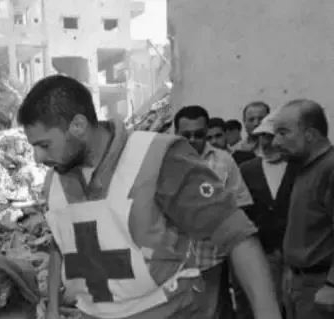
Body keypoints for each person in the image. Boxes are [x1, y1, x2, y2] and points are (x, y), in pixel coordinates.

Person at [20, 75, 279, 319]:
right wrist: (53, 308)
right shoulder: (57, 175)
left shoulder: (157, 158)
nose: (38, 158)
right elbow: (61, 242)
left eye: (44, 145)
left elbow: (238, 237)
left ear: (78, 125)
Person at [272, 99, 334, 319]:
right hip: (303, 283)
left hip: (326, 284)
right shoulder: (304, 168)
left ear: (310, 135)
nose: (276, 142)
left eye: (284, 133)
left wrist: (333, 284)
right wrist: (292, 272)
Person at [173, 105, 254, 319]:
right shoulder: (163, 162)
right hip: (173, 259)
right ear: (176, 134)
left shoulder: (223, 161)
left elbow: (241, 203)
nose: (192, 140)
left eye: (198, 134)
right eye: (185, 135)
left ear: (206, 132)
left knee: (209, 313)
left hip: (211, 257)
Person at [236, 111, 299, 318]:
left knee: (294, 304)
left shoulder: (299, 168)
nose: (267, 142)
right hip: (262, 250)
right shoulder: (247, 169)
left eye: (271, 136)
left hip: (295, 253)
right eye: (263, 136)